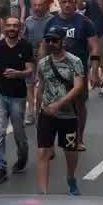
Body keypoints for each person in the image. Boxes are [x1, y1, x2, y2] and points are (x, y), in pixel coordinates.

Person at [34, 26, 85, 196]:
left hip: (68, 114)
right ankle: (44, 193)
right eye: (48, 40)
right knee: (43, 152)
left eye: (55, 40)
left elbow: (78, 87)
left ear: (63, 41)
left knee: (70, 151)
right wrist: (37, 111)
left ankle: (70, 177)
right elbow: (40, 87)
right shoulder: (43, 63)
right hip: (46, 114)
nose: (51, 43)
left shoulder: (75, 62)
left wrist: (60, 103)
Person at [43, 0, 98, 151]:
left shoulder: (85, 22)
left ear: (75, 3)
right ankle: (50, 142)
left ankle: (79, 138)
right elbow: (44, 46)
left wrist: (95, 71)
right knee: (52, 103)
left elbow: (94, 47)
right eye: (64, 2)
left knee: (79, 104)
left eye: (70, 2)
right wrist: (41, 68)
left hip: (77, 71)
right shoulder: (52, 22)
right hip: (54, 69)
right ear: (59, 3)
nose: (67, 5)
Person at [0, 16, 34, 184]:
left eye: (15, 25)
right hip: (0, 94)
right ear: (4, 28)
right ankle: (0, 167)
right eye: (9, 25)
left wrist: (18, 74)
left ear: (20, 28)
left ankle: (22, 156)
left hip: (18, 96)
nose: (12, 28)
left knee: (18, 130)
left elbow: (30, 71)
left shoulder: (25, 46)